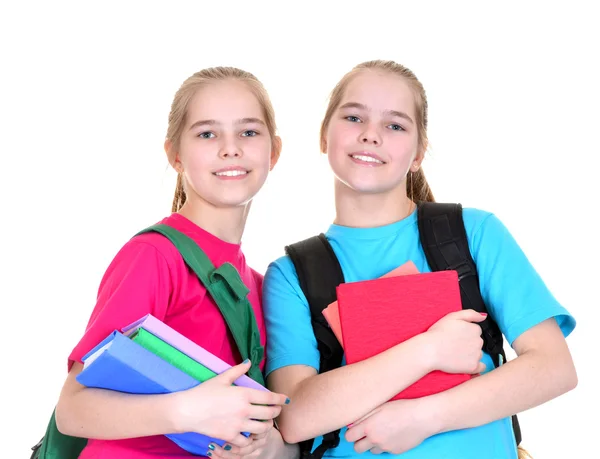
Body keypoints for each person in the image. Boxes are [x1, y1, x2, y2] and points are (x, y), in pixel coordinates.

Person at [263, 60, 577, 459]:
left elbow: (554, 368)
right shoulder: (294, 273)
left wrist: (423, 418)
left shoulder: (471, 233)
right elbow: (294, 417)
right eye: (354, 116)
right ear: (324, 136)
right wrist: (427, 350)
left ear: (418, 153)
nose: (370, 135)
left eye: (395, 125)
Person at [55, 66, 299, 459]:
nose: (230, 147)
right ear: (175, 155)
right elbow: (73, 408)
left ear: (274, 151)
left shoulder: (256, 284)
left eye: (248, 132)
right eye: (207, 134)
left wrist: (269, 447)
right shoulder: (155, 257)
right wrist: (189, 411)